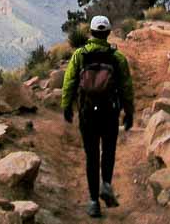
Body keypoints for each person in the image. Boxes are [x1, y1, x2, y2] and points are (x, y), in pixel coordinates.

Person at [61, 15, 135, 218]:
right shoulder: (117, 58)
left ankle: (93, 201)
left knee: (91, 156)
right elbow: (127, 87)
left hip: (87, 113)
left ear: (91, 33)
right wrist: (129, 112)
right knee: (108, 151)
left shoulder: (80, 55)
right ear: (108, 33)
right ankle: (107, 184)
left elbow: (69, 83)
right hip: (110, 113)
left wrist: (66, 106)